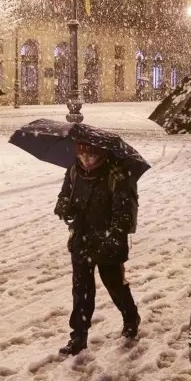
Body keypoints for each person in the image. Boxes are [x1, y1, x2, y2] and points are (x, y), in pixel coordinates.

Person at [53, 142, 141, 356]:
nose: (86, 161)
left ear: (101, 156)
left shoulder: (116, 175)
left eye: (90, 156)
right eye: (82, 156)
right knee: (81, 291)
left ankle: (130, 318)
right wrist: (64, 208)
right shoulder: (74, 171)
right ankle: (78, 337)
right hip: (81, 240)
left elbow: (124, 213)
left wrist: (112, 236)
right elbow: (63, 196)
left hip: (108, 241)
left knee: (114, 285)